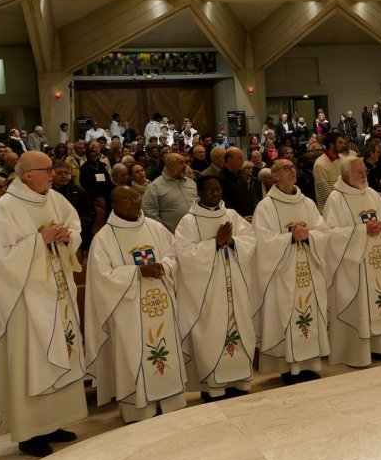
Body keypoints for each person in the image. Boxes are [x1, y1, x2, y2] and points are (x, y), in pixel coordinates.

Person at [0, 151, 87, 458]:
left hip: (57, 292)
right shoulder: (8, 206)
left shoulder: (53, 198)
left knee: (60, 351)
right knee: (33, 360)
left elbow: (73, 226)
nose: (52, 174)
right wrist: (39, 240)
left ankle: (54, 422)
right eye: (46, 170)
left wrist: (67, 236)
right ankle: (30, 433)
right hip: (25, 299)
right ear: (26, 174)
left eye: (52, 169)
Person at [84, 186, 187, 423]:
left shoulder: (155, 227)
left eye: (136, 197)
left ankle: (171, 401)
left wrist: (164, 266)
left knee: (165, 347)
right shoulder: (104, 238)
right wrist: (138, 272)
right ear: (114, 204)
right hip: (127, 310)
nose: (134, 201)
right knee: (133, 354)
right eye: (126, 198)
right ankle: (139, 409)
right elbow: (101, 277)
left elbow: (174, 255)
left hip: (162, 302)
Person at [172, 176, 257, 401]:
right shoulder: (189, 221)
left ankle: (239, 380)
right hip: (206, 291)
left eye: (218, 189)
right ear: (199, 193)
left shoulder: (231, 215)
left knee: (239, 325)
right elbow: (183, 254)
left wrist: (231, 242)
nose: (215, 194)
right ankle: (213, 387)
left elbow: (250, 239)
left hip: (234, 285)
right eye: (209, 190)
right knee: (211, 331)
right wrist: (214, 244)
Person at [252, 158, 330, 384]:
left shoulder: (307, 203)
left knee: (310, 313)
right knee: (287, 315)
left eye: (293, 166)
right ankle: (289, 368)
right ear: (274, 176)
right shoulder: (266, 207)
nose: (292, 170)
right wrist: (289, 238)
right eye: (286, 168)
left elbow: (323, 231)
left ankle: (310, 364)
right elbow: (261, 241)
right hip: (282, 273)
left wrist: (309, 236)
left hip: (308, 267)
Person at [322, 157, 381, 367]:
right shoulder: (336, 199)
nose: (364, 175)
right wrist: (362, 231)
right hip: (354, 265)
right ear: (346, 175)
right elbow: (330, 234)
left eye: (364, 171)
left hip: (377, 259)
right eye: (359, 172)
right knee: (359, 305)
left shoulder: (371, 193)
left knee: (379, 300)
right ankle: (358, 352)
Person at [141, 152, 197, 232]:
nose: (185, 166)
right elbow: (149, 212)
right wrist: (164, 231)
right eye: (181, 163)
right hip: (173, 235)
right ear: (171, 166)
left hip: (197, 230)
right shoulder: (155, 186)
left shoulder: (191, 182)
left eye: (185, 162)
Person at [313, 131, 347, 212]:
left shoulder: (343, 160)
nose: (343, 145)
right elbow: (326, 193)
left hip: (343, 205)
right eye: (340, 142)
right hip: (328, 209)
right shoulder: (320, 164)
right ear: (331, 144)